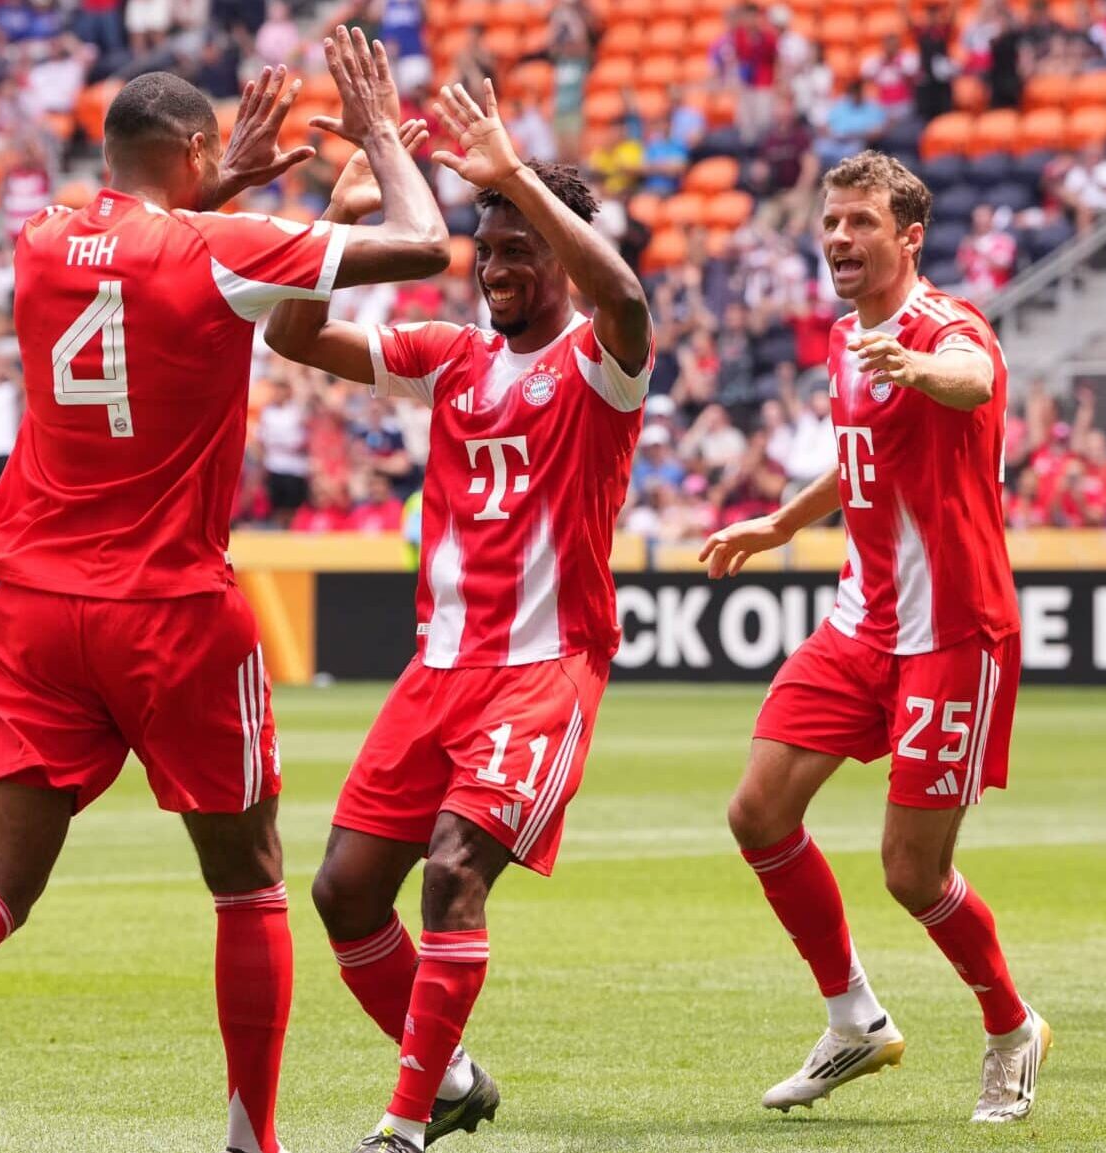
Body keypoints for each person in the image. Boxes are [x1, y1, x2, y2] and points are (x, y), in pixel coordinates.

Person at [0, 33, 451, 1153]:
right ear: (195, 148)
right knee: (247, 881)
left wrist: (224, 179)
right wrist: (381, 129)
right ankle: (253, 1138)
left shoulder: (39, 238)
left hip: (32, 606)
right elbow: (425, 245)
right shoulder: (220, 246)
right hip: (169, 608)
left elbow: (150, 236)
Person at [265, 79, 652, 1153]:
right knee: (344, 891)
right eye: (486, 249)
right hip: (435, 670)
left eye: (518, 250)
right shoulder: (451, 358)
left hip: (543, 667)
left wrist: (514, 175)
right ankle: (450, 1079)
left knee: (451, 872)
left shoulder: (594, 368)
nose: (495, 266)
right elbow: (297, 336)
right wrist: (337, 223)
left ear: (559, 259)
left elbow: (625, 300)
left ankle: (399, 1124)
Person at [699, 152, 1047, 1123]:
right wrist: (779, 523)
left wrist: (920, 364)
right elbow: (862, 455)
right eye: (831, 221)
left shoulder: (944, 327)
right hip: (860, 621)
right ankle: (853, 1018)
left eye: (860, 222)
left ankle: (1010, 1027)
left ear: (907, 236)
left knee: (911, 872)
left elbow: (971, 379)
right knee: (757, 811)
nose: (839, 237)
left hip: (952, 631)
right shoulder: (847, 338)